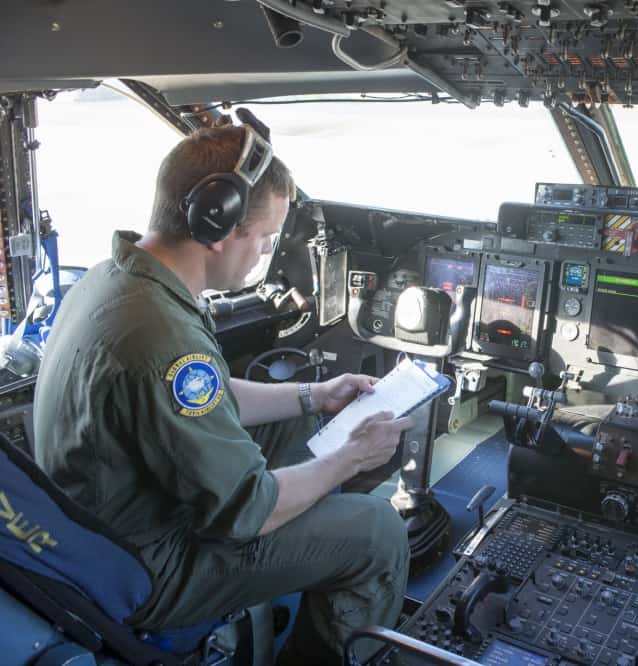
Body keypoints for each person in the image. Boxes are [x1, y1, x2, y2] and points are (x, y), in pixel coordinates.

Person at [32, 125, 413, 665]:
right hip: (146, 569)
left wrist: (314, 394)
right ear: (218, 225)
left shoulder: (115, 280)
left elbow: (204, 395)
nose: (265, 252)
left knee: (293, 422)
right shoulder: (162, 340)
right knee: (377, 533)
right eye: (265, 236)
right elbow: (247, 510)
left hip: (97, 529)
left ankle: (308, 547)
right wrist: (353, 459)